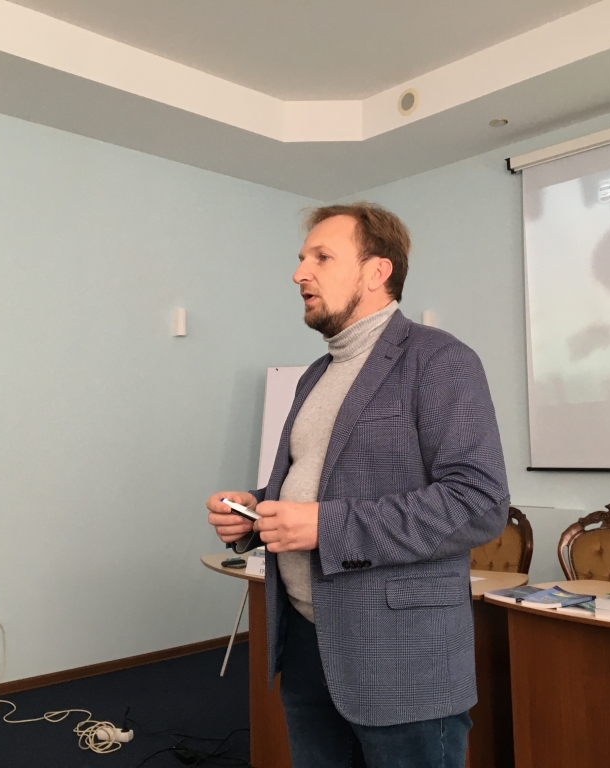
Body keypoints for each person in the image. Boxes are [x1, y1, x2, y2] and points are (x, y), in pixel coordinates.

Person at [205, 203, 509, 768]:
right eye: (302, 258)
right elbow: (316, 484)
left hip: (401, 657)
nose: (299, 273)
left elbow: (479, 502)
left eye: (321, 257)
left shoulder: (440, 359)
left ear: (377, 272)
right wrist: (255, 511)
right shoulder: (315, 375)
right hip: (306, 644)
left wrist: (325, 525)